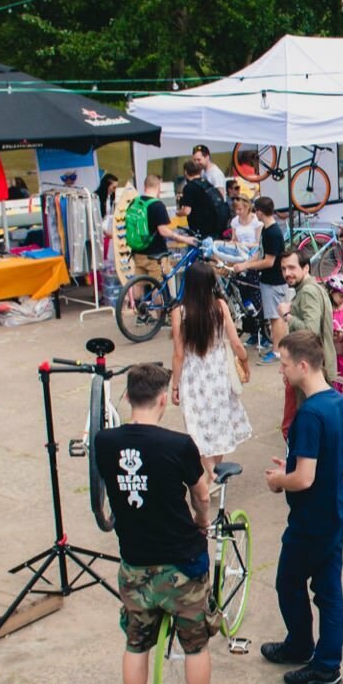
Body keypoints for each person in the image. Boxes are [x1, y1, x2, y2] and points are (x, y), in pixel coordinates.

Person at [93, 362, 224, 684]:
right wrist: (203, 521)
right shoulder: (178, 445)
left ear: (129, 397)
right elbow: (201, 494)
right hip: (181, 563)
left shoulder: (104, 442)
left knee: (136, 644)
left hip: (135, 562)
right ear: (164, 399)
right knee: (195, 645)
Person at [262, 330, 343, 684]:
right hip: (334, 508)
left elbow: (303, 478)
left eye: (284, 364)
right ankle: (323, 658)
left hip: (312, 518)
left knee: (290, 583)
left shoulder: (309, 415)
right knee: (328, 588)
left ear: (303, 365)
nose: (281, 371)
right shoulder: (337, 402)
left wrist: (278, 480)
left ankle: (310, 652)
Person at [169, 263, 252, 473]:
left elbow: (178, 354)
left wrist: (175, 385)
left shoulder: (179, 312)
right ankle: (214, 474)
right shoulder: (220, 307)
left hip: (192, 376)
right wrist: (245, 363)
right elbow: (236, 343)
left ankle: (211, 476)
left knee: (197, 428)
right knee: (219, 424)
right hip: (218, 374)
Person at [280, 249, 337, 440]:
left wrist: (288, 316)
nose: (287, 273)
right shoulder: (311, 288)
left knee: (306, 427)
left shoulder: (308, 292)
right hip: (315, 367)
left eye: (292, 267)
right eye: (283, 269)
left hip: (311, 369)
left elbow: (310, 332)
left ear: (306, 268)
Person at [231, 196, 291, 361]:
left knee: (276, 317)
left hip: (274, 280)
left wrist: (247, 266)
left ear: (259, 211)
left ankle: (278, 351)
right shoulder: (267, 229)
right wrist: (246, 263)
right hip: (268, 280)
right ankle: (277, 348)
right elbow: (260, 252)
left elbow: (269, 261)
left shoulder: (272, 232)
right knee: (273, 317)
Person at [124, 174, 182, 306]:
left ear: (145, 186)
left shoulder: (134, 202)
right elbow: (163, 230)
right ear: (158, 187)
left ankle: (140, 313)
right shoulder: (157, 205)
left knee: (138, 283)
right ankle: (160, 315)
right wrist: (179, 237)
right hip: (156, 254)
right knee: (158, 286)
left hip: (137, 251)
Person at [178, 160, 227, 246]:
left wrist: (178, 213)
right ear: (200, 171)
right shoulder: (206, 183)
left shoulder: (189, 187)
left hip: (201, 229)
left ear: (185, 172)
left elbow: (186, 211)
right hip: (215, 226)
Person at [229, 193, 263, 258]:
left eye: (239, 209)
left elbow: (258, 244)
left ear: (247, 207)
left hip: (255, 254)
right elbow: (234, 240)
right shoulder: (234, 221)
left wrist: (242, 244)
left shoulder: (257, 220)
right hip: (239, 253)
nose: (237, 212)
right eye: (235, 209)